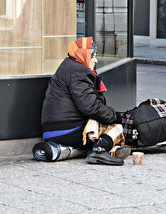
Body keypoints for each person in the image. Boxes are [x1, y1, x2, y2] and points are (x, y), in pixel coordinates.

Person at [41, 37, 129, 166]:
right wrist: (115, 116)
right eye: (93, 56)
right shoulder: (78, 72)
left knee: (101, 123)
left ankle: (109, 149)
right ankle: (99, 151)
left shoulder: (70, 66)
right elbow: (90, 107)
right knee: (116, 126)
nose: (96, 60)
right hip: (65, 130)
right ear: (84, 55)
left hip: (55, 128)